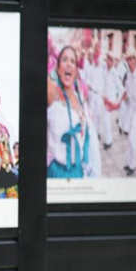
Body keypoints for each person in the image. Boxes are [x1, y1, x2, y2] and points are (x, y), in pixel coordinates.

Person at [46, 45, 101, 178]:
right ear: (58, 69)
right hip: (57, 173)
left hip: (78, 172)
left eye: (72, 61)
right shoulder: (52, 95)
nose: (69, 64)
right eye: (64, 60)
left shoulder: (80, 98)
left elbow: (89, 139)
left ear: (76, 71)